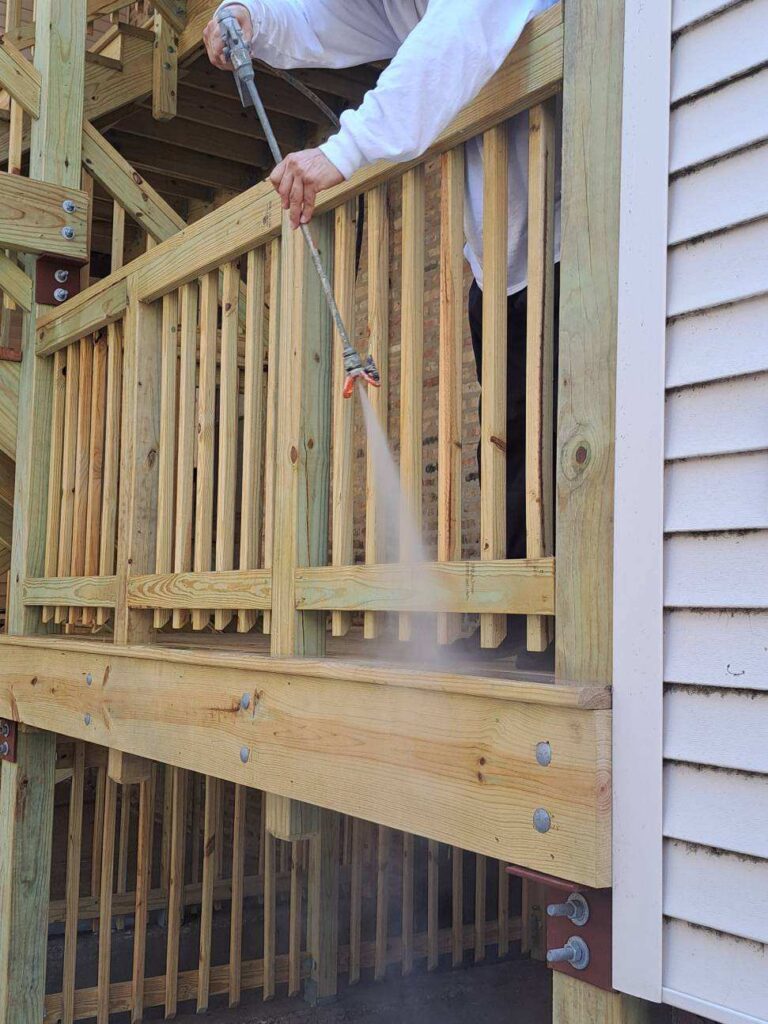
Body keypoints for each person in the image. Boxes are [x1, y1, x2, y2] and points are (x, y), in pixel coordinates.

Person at [204, 0, 561, 664]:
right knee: (516, 453)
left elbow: (461, 30)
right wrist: (254, 20)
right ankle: (527, 636)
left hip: (574, 237)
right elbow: (322, 22)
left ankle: (563, 640)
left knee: (565, 451)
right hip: (502, 263)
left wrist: (345, 149)